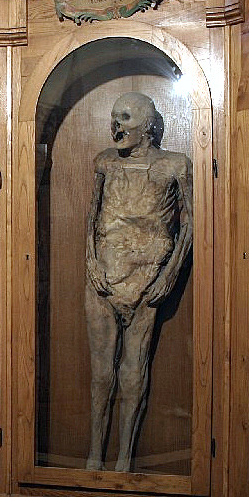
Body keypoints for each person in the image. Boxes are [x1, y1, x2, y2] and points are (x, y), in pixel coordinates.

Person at [84, 92, 192, 472]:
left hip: (148, 278)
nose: (116, 126)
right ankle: (94, 457)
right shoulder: (105, 163)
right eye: (114, 117)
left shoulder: (175, 165)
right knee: (101, 374)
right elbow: (92, 215)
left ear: (147, 125)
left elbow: (190, 223)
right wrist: (91, 262)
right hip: (103, 277)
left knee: (133, 372)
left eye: (125, 118)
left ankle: (124, 461)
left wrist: (169, 274)